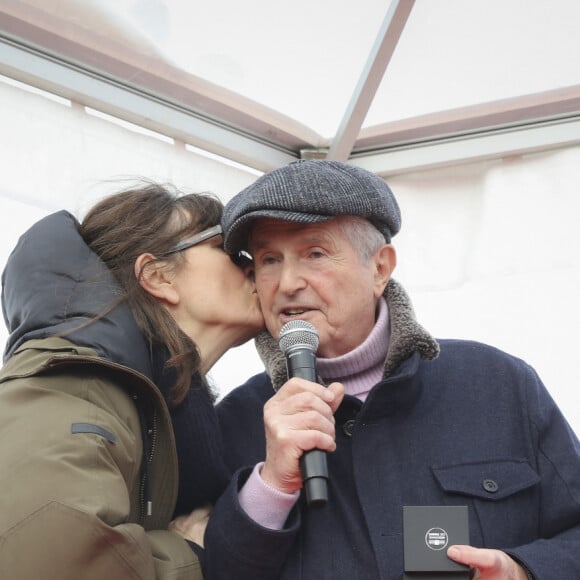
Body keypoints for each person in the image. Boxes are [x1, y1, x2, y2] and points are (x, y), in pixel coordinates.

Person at [198, 160, 580, 579]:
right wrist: (271, 485)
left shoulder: (498, 384)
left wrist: (523, 571)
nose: (288, 282)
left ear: (379, 268)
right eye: (270, 260)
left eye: (315, 253)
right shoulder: (233, 420)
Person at [0, 182, 263, 580]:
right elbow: (55, 562)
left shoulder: (164, 415)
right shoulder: (70, 386)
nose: (253, 264)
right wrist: (191, 553)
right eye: (225, 248)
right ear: (158, 276)